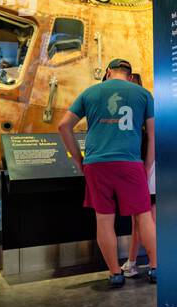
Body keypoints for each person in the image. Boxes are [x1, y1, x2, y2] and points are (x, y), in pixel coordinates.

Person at [57, 58, 157, 288]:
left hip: (96, 164)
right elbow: (152, 134)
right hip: (130, 162)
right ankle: (154, 268)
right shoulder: (143, 95)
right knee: (143, 216)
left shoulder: (90, 92)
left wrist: (78, 160)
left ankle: (115, 273)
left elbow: (63, 126)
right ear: (130, 76)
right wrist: (147, 165)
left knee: (103, 219)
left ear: (108, 72)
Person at [121, 73, 156, 277]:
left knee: (141, 223)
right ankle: (140, 263)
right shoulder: (146, 111)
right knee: (144, 222)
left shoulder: (135, 122)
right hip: (149, 174)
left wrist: (146, 169)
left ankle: (148, 264)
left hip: (144, 175)